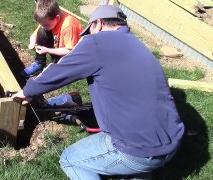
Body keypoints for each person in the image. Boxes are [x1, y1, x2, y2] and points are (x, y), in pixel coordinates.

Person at [13, 5, 185, 179]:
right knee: (137, 165)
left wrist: (28, 90)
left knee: (70, 159)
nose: (89, 35)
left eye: (90, 30)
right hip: (172, 142)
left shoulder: (97, 42)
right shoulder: (137, 44)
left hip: (138, 149)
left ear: (99, 24)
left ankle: (137, 166)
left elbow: (60, 70)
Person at [21, 0, 83, 78]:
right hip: (59, 47)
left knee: (55, 73)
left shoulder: (69, 26)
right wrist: (32, 43)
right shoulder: (48, 22)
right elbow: (34, 35)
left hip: (72, 56)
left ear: (57, 18)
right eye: (41, 24)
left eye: (46, 25)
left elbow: (70, 51)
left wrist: (47, 50)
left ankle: (57, 67)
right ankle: (40, 63)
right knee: (42, 32)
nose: (43, 27)